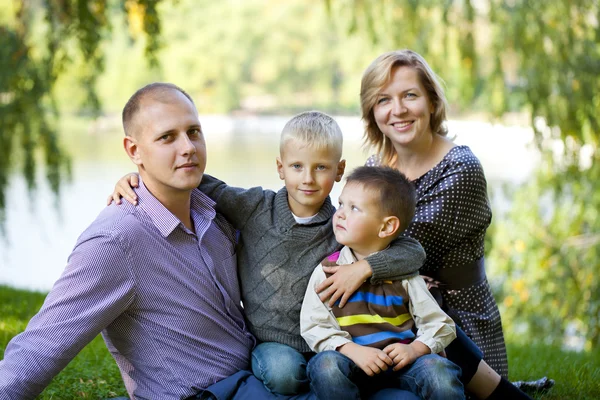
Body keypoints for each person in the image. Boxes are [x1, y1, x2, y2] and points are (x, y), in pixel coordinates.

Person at [1, 83, 290, 399]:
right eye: (167, 137)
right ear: (134, 150)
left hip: (257, 381)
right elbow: (40, 347)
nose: (188, 147)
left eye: (194, 132)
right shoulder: (115, 242)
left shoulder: (213, 212)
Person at [109, 110, 426, 399]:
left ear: (340, 170)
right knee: (284, 375)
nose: (308, 178)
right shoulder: (255, 208)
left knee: (339, 372)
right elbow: (197, 182)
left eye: (321, 168)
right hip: (274, 341)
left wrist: (365, 268)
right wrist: (140, 176)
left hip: (331, 337)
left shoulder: (342, 226)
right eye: (297, 166)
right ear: (280, 168)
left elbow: (412, 251)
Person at [320, 48, 548, 397]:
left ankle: (500, 392)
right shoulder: (378, 164)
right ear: (372, 112)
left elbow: (406, 244)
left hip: (456, 317)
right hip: (390, 310)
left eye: (409, 95)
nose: (397, 110)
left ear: (431, 102)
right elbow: (359, 237)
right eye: (383, 100)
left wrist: (368, 267)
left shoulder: (460, 168)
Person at [301, 166, 464, 400]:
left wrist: (414, 349)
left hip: (401, 365)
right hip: (352, 362)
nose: (340, 214)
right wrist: (352, 351)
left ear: (387, 226)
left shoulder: (404, 274)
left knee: (439, 369)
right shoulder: (328, 270)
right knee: (325, 366)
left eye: (354, 208)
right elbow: (314, 325)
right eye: (341, 204)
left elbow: (440, 324)